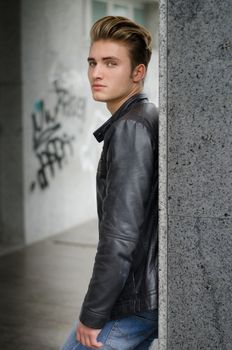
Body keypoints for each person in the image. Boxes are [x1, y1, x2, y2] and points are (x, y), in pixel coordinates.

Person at [61, 16, 159, 350]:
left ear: (138, 73)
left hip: (132, 302)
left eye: (110, 63)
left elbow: (120, 235)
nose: (95, 73)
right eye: (92, 62)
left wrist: (92, 314)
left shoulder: (131, 128)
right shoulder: (138, 119)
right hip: (141, 297)